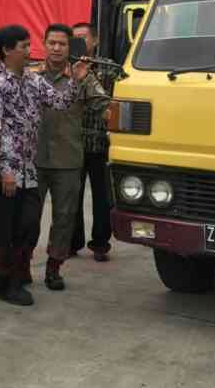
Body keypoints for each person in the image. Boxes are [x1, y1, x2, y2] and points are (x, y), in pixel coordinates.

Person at [0, 24, 87, 306]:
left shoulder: (33, 80)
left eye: (30, 45)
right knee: (3, 230)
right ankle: (3, 283)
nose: (30, 51)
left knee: (27, 227)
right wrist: (3, 169)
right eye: (24, 46)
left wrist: (76, 80)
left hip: (30, 170)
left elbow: (60, 102)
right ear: (7, 51)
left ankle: (16, 277)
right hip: (7, 171)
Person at [35, 24, 110, 290]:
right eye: (52, 43)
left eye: (62, 44)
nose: (56, 48)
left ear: (70, 48)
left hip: (68, 160)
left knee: (64, 219)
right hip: (34, 159)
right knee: (28, 219)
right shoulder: (32, 75)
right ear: (44, 44)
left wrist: (86, 79)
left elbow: (104, 106)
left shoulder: (81, 75)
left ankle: (54, 268)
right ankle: (19, 266)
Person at [71, 22, 116, 261]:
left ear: (95, 40)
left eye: (83, 37)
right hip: (74, 143)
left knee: (102, 198)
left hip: (100, 144)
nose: (79, 42)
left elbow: (112, 103)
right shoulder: (67, 67)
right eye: (75, 38)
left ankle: (100, 243)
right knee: (71, 196)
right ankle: (72, 242)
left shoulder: (108, 68)